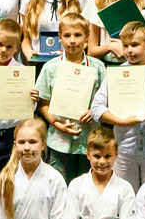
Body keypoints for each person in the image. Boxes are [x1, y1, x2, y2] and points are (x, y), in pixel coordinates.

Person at [92, 21, 145, 189]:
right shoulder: (115, 75)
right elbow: (96, 108)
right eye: (125, 45)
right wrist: (119, 121)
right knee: (124, 197)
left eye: (135, 45)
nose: (129, 50)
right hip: (123, 151)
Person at [35, 9, 104, 182]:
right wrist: (56, 123)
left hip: (90, 141)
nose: (72, 41)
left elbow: (108, 101)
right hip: (59, 141)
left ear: (87, 36)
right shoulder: (50, 68)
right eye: (67, 35)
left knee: (87, 190)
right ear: (59, 37)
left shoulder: (98, 67)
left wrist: (95, 112)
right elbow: (43, 103)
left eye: (78, 35)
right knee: (59, 190)